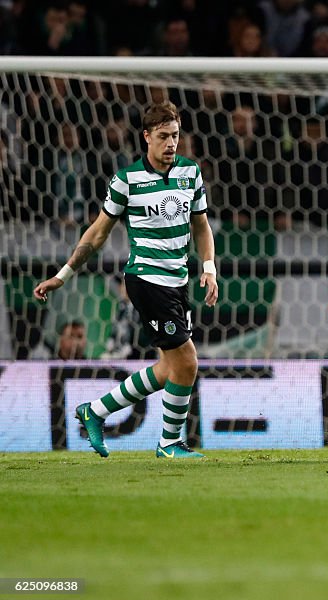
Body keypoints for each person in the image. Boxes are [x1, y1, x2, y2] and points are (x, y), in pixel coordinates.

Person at [33, 101, 219, 459]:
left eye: (175, 136)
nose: (170, 144)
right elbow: (98, 234)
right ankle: (169, 444)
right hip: (146, 279)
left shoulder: (190, 173)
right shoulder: (126, 180)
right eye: (163, 136)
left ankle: (95, 411)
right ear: (146, 136)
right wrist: (63, 274)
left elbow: (201, 226)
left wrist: (208, 268)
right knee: (187, 362)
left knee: (169, 368)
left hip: (178, 280)